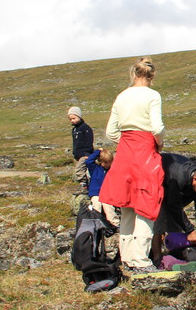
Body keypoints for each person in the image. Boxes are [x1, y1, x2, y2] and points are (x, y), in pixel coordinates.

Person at [99, 57, 165, 274]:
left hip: (125, 152)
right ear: (151, 75)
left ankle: (127, 256)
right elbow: (156, 126)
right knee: (146, 204)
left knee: (126, 204)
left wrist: (126, 142)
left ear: (133, 74)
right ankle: (141, 259)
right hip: (145, 150)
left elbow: (110, 132)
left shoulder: (122, 96)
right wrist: (158, 143)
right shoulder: (152, 95)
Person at [152, 153, 196, 270]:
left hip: (175, 193)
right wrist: (190, 230)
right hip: (157, 186)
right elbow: (174, 206)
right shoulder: (177, 176)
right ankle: (156, 259)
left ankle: (174, 254)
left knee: (175, 228)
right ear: (194, 179)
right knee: (159, 222)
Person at [84, 148, 119, 227]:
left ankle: (114, 224)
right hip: (96, 193)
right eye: (105, 162)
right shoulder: (95, 168)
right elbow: (88, 161)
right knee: (97, 205)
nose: (107, 164)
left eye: (109, 162)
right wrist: (98, 151)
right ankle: (96, 223)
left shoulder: (112, 170)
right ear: (100, 161)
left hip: (107, 194)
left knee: (109, 207)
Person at [68, 106, 94, 193]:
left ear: (79, 116)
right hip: (78, 154)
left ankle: (83, 186)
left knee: (79, 170)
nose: (72, 120)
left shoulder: (85, 128)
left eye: (74, 118)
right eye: (70, 119)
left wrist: (87, 153)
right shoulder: (74, 129)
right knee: (83, 170)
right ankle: (86, 185)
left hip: (85, 154)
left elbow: (89, 140)